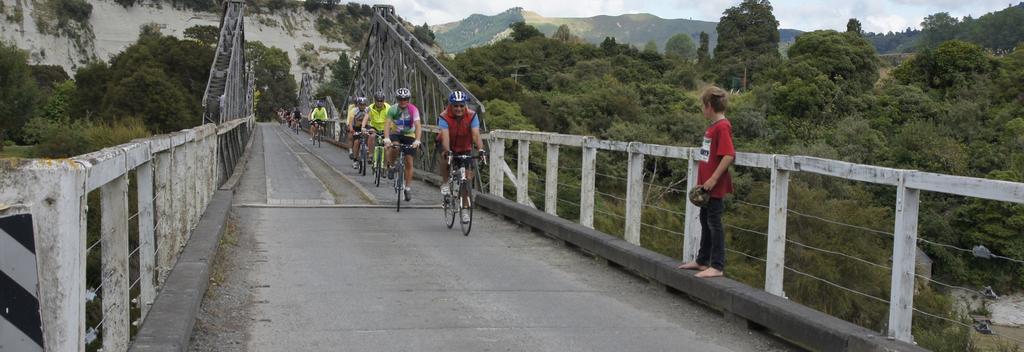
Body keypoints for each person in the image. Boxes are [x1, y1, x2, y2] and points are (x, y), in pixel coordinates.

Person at [677, 86, 735, 279]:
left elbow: (728, 155)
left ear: (709, 106)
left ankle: (717, 265)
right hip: (706, 187)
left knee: (714, 223)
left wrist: (713, 179)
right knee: (704, 220)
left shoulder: (722, 126)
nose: (702, 109)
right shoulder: (712, 127)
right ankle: (702, 260)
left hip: (714, 187)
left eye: (703, 105)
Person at [437, 91, 486, 223]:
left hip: (465, 147)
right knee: (444, 156)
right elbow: (445, 136)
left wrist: (481, 149)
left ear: (465, 105)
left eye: (461, 106)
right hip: (449, 145)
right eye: (455, 106)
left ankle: (465, 209)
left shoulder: (472, 115)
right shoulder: (444, 117)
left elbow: (476, 134)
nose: (458, 108)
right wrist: (448, 151)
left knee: (467, 180)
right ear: (450, 106)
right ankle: (446, 183)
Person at [384, 87, 422, 202]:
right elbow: (387, 124)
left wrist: (417, 140)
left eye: (405, 99)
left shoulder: (413, 110)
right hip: (396, 133)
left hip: (409, 135)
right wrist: (386, 138)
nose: (403, 101)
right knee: (394, 146)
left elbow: (418, 125)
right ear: (397, 99)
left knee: (409, 161)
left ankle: (408, 188)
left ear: (408, 99)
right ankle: (391, 166)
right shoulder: (393, 109)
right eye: (400, 99)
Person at [361, 91, 391, 168]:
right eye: (378, 100)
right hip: (374, 127)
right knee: (372, 136)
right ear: (375, 100)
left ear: (384, 101)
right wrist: (363, 127)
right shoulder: (370, 108)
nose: (379, 102)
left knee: (387, 145)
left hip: (385, 128)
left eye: (381, 101)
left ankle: (386, 163)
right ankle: (370, 155)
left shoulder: (389, 108)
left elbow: (392, 119)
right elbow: (366, 117)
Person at [347, 97, 370, 168]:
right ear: (358, 104)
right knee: (356, 142)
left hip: (365, 127)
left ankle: (367, 149)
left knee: (370, 136)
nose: (362, 106)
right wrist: (351, 130)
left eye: (364, 104)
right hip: (356, 128)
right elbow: (350, 122)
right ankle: (355, 160)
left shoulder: (368, 110)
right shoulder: (354, 110)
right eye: (360, 104)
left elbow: (371, 119)